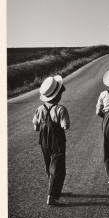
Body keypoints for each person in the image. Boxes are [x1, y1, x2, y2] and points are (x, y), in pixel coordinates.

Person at [32, 75, 70, 206]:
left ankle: (54, 188)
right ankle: (51, 196)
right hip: (57, 141)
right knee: (58, 168)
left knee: (48, 165)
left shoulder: (39, 109)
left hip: (43, 141)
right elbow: (66, 126)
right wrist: (62, 123)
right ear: (57, 96)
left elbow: (36, 127)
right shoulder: (60, 109)